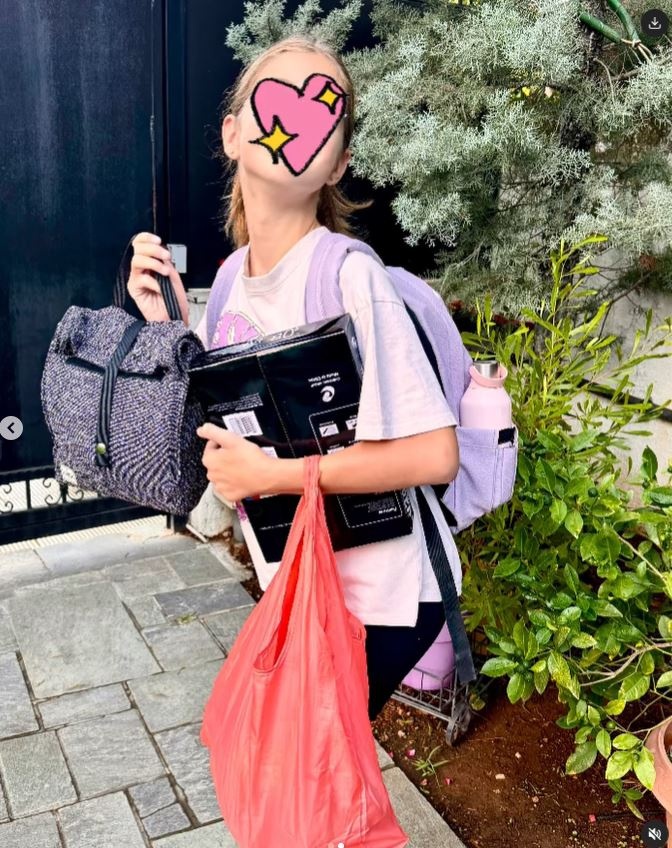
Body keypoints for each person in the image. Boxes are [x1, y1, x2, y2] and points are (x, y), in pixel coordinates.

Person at [128, 34, 461, 721]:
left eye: (325, 109)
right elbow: (211, 429)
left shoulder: (350, 276)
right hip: (305, 580)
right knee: (296, 761)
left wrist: (276, 476)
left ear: (338, 163)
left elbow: (435, 455)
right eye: (277, 96)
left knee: (302, 761)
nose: (300, 116)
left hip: (387, 593)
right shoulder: (228, 282)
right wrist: (166, 326)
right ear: (232, 134)